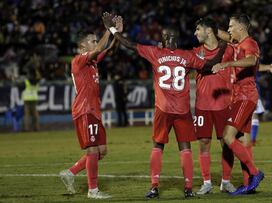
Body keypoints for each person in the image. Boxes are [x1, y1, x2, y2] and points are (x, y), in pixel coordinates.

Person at [102, 13, 227, 199]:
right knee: (185, 148)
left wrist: (111, 29)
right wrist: (223, 47)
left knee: (158, 146)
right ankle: (188, 188)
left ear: (165, 38)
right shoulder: (187, 56)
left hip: (163, 109)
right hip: (182, 110)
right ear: (175, 38)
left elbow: (128, 44)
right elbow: (211, 64)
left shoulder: (155, 52)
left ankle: (154, 187)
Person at [59, 13, 121, 199]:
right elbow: (102, 47)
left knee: (101, 151)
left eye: (95, 41)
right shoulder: (78, 60)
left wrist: (116, 33)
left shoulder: (92, 62)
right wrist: (108, 29)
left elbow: (109, 49)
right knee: (92, 150)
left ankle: (70, 173)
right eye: (92, 41)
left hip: (94, 110)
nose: (96, 43)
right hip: (85, 110)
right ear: (82, 47)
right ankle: (92, 190)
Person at [212, 14, 265, 195]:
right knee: (242, 140)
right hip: (239, 97)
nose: (229, 29)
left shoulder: (249, 43)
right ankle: (249, 183)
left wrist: (228, 63)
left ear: (241, 28)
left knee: (228, 136)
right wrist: (210, 26)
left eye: (231, 26)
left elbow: (252, 60)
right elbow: (224, 36)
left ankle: (255, 173)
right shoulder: (237, 43)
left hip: (245, 96)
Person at [192, 17, 237, 195]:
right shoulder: (196, 52)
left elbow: (237, 40)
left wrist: (217, 30)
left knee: (226, 143)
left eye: (198, 29)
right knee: (203, 143)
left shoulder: (228, 50)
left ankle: (226, 181)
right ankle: (207, 182)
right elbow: (206, 68)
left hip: (224, 105)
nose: (195, 33)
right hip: (202, 105)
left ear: (208, 31)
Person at [22, 54, 41, 131]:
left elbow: (21, 87)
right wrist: (36, 68)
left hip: (27, 99)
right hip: (34, 99)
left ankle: (26, 128)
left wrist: (31, 62)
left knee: (27, 115)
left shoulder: (27, 81)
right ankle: (36, 128)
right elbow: (38, 76)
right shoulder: (37, 81)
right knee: (35, 115)